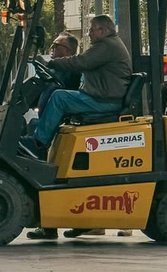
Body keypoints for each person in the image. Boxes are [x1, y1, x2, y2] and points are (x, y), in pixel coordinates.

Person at [22, 14, 131, 157]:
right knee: (59, 94)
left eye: (92, 30)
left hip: (104, 101)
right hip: (103, 98)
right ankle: (44, 142)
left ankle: (38, 144)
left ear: (103, 31)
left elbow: (80, 62)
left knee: (59, 97)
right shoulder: (109, 44)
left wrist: (51, 63)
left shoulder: (106, 45)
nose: (89, 33)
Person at [28, 32, 83, 241]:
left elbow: (58, 89)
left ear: (67, 51)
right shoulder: (58, 68)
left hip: (58, 124)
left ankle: (48, 225)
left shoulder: (68, 68)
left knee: (41, 168)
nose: (52, 49)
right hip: (53, 121)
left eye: (56, 46)